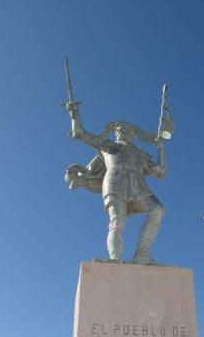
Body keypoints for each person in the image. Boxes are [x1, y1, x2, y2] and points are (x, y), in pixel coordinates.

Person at [64, 102, 169, 265]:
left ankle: (142, 254)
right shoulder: (107, 145)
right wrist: (74, 114)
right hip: (115, 180)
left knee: (158, 210)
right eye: (119, 129)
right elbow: (80, 134)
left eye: (126, 130)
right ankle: (115, 257)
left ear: (132, 134)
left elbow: (161, 173)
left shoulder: (141, 154)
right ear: (115, 132)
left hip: (138, 184)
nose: (123, 131)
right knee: (118, 220)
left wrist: (161, 151)